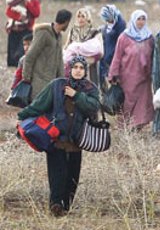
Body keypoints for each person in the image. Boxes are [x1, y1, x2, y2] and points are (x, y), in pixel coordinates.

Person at [17, 56, 100, 217]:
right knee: (57, 173)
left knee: (72, 175)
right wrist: (22, 116)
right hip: (55, 138)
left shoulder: (90, 88)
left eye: (81, 68)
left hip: (77, 139)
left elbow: (93, 107)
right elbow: (39, 104)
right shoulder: (57, 85)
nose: (78, 70)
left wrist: (76, 95)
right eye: (75, 67)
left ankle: (67, 205)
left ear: (85, 71)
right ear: (69, 69)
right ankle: (55, 204)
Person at [108, 10, 155, 129]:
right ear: (133, 20)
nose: (141, 22)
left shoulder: (149, 37)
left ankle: (137, 126)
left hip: (144, 77)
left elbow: (154, 56)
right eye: (138, 19)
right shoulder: (124, 37)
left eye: (143, 19)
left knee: (143, 102)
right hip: (127, 77)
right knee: (127, 103)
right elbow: (117, 57)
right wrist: (113, 74)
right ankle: (124, 127)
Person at [22, 9, 70, 97]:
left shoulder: (59, 36)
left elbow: (59, 60)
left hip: (51, 82)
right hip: (39, 82)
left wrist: (62, 80)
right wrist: (26, 78)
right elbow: (30, 55)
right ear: (66, 22)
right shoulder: (44, 33)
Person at [6, 0, 41, 67]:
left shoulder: (33, 2)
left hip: (26, 28)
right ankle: (11, 62)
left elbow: (36, 13)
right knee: (12, 46)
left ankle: (20, 62)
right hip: (14, 27)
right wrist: (18, 18)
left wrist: (28, 4)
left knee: (22, 47)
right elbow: (8, 12)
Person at [64, 7, 101, 85]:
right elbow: (67, 47)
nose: (80, 19)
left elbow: (100, 51)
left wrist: (87, 60)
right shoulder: (73, 31)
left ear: (88, 18)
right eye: (78, 16)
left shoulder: (95, 32)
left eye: (83, 16)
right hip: (73, 66)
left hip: (89, 65)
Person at [99, 5, 125, 82]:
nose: (107, 21)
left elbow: (120, 42)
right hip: (106, 54)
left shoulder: (120, 24)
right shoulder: (108, 24)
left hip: (114, 55)